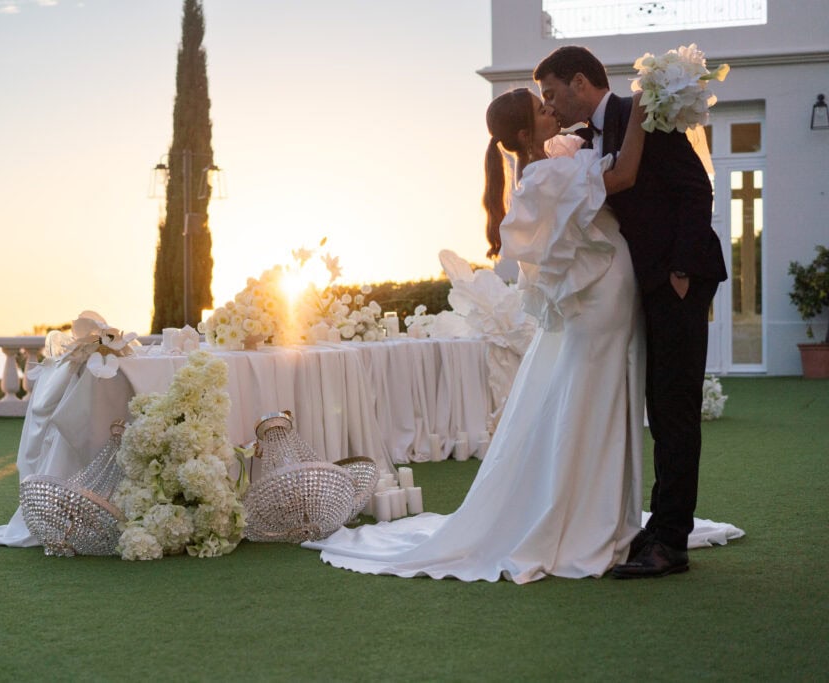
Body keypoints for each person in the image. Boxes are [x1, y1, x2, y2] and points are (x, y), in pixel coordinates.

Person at [303, 88, 660, 583]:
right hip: (599, 296)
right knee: (593, 398)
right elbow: (620, 176)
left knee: (591, 395)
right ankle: (586, 517)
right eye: (541, 110)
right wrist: (639, 113)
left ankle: (596, 510)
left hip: (602, 293)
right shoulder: (548, 174)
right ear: (524, 133)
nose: (551, 111)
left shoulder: (546, 166)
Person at [534, 46, 729, 579]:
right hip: (647, 285)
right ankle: (661, 526)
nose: (549, 105)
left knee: (674, 408)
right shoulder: (587, 139)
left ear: (579, 82)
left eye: (551, 93)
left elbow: (697, 189)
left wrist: (681, 270)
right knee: (659, 407)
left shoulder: (642, 114)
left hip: (677, 280)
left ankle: (671, 542)